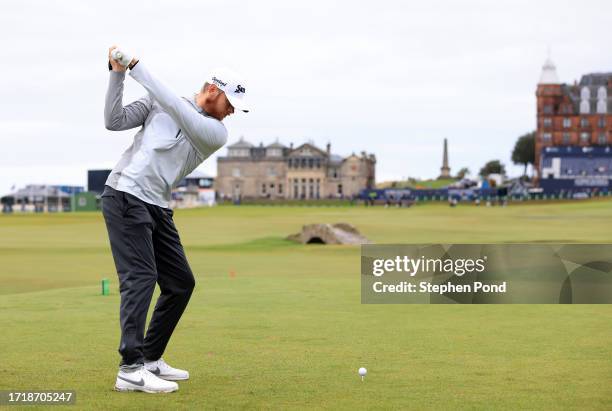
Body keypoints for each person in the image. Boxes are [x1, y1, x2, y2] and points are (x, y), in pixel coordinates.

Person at [101, 46, 248, 393]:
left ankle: (150, 358)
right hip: (125, 194)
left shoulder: (214, 132)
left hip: (158, 206)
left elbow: (174, 106)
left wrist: (137, 66)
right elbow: (114, 121)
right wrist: (118, 73)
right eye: (230, 104)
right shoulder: (159, 104)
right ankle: (130, 368)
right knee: (142, 276)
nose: (231, 113)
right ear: (213, 90)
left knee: (181, 282)